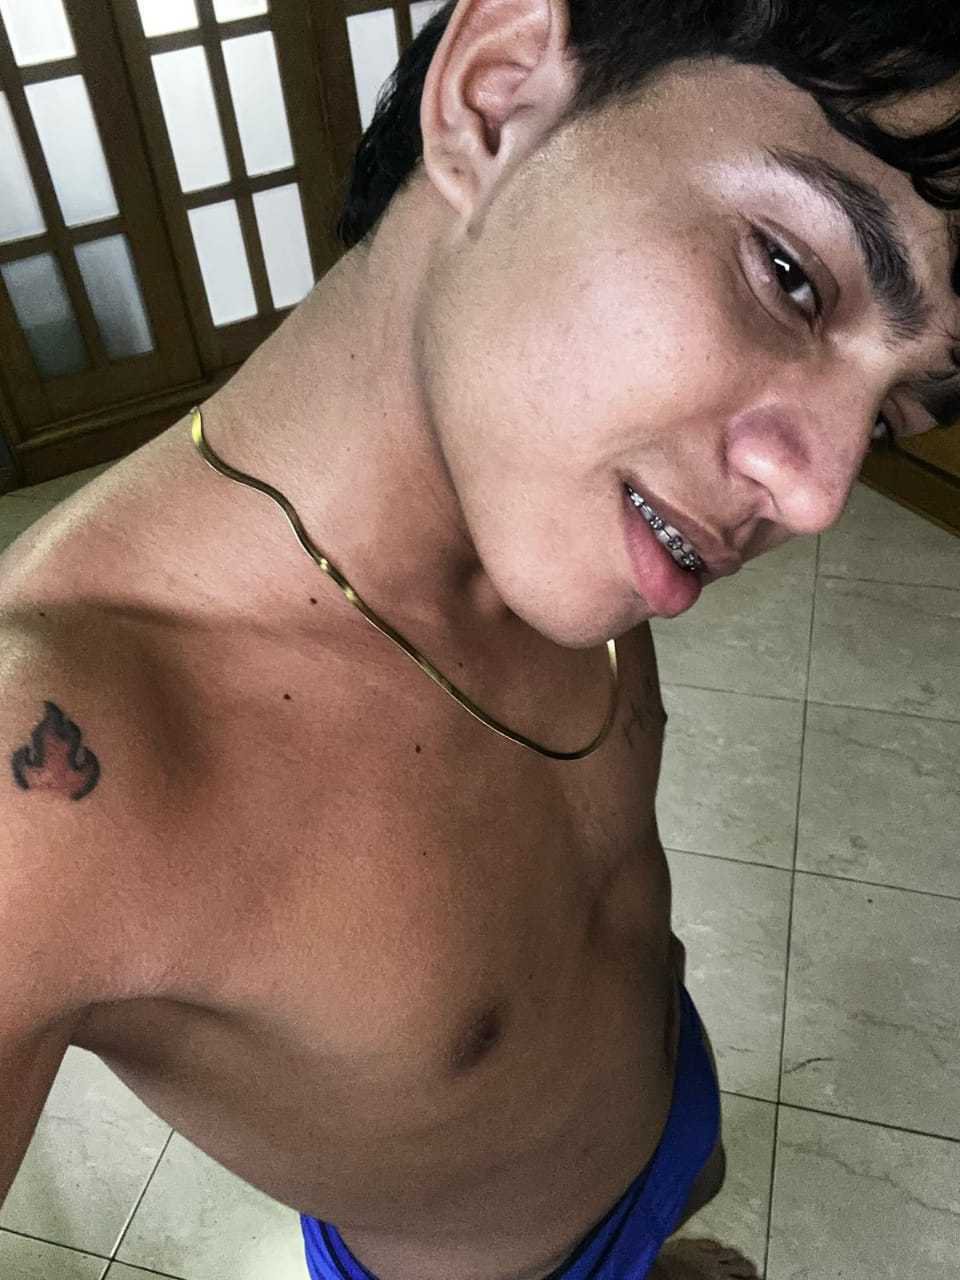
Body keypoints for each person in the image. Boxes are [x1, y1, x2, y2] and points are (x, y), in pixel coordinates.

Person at [2, 0, 958, 1276]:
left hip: (666, 1095)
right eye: (790, 276)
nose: (820, 490)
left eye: (889, 413)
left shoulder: (563, 498)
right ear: (499, 93)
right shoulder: (57, 767)